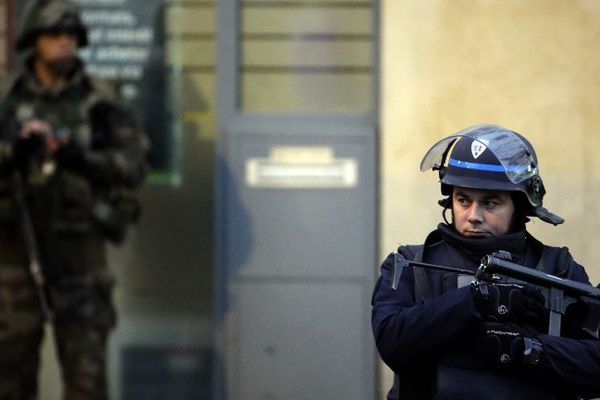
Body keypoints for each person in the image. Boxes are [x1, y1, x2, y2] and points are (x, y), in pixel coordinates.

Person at [371, 124, 600, 400]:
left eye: (490, 203)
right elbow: (392, 343)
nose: (473, 215)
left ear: (520, 206)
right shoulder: (411, 264)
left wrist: (530, 350)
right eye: (463, 199)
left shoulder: (557, 268)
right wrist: (476, 300)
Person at [0, 0, 149, 399]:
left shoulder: (101, 100)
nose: (65, 44)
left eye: (71, 37)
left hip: (79, 256)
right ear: (35, 41)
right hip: (15, 253)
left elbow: (133, 167)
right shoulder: (6, 97)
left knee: (86, 381)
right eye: (54, 36)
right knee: (9, 378)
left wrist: (78, 157)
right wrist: (11, 153)